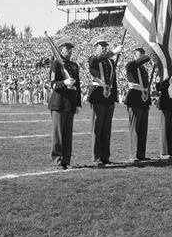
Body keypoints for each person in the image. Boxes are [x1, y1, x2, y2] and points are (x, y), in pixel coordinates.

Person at [88, 36, 123, 167]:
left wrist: (114, 97)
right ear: (95, 47)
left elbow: (113, 80)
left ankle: (105, 156)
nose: (103, 47)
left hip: (108, 98)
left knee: (106, 129)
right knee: (97, 128)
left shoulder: (110, 62)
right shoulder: (93, 58)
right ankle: (96, 157)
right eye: (100, 45)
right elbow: (95, 62)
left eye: (105, 45)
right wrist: (113, 52)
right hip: (98, 95)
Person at [48, 37, 81, 170]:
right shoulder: (56, 64)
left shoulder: (74, 65)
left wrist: (78, 104)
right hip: (59, 103)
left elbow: (77, 86)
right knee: (58, 134)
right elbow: (53, 84)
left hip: (70, 104)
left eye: (70, 49)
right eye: (66, 48)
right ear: (60, 49)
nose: (69, 51)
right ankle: (57, 159)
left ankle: (66, 160)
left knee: (67, 135)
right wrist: (64, 83)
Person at [124, 46, 152, 162]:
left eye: (144, 54)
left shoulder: (144, 69)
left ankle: (141, 153)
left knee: (143, 129)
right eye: (140, 54)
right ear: (134, 55)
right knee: (134, 128)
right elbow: (134, 65)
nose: (143, 56)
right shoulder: (130, 65)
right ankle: (133, 154)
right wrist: (149, 56)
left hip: (144, 99)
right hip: (134, 98)